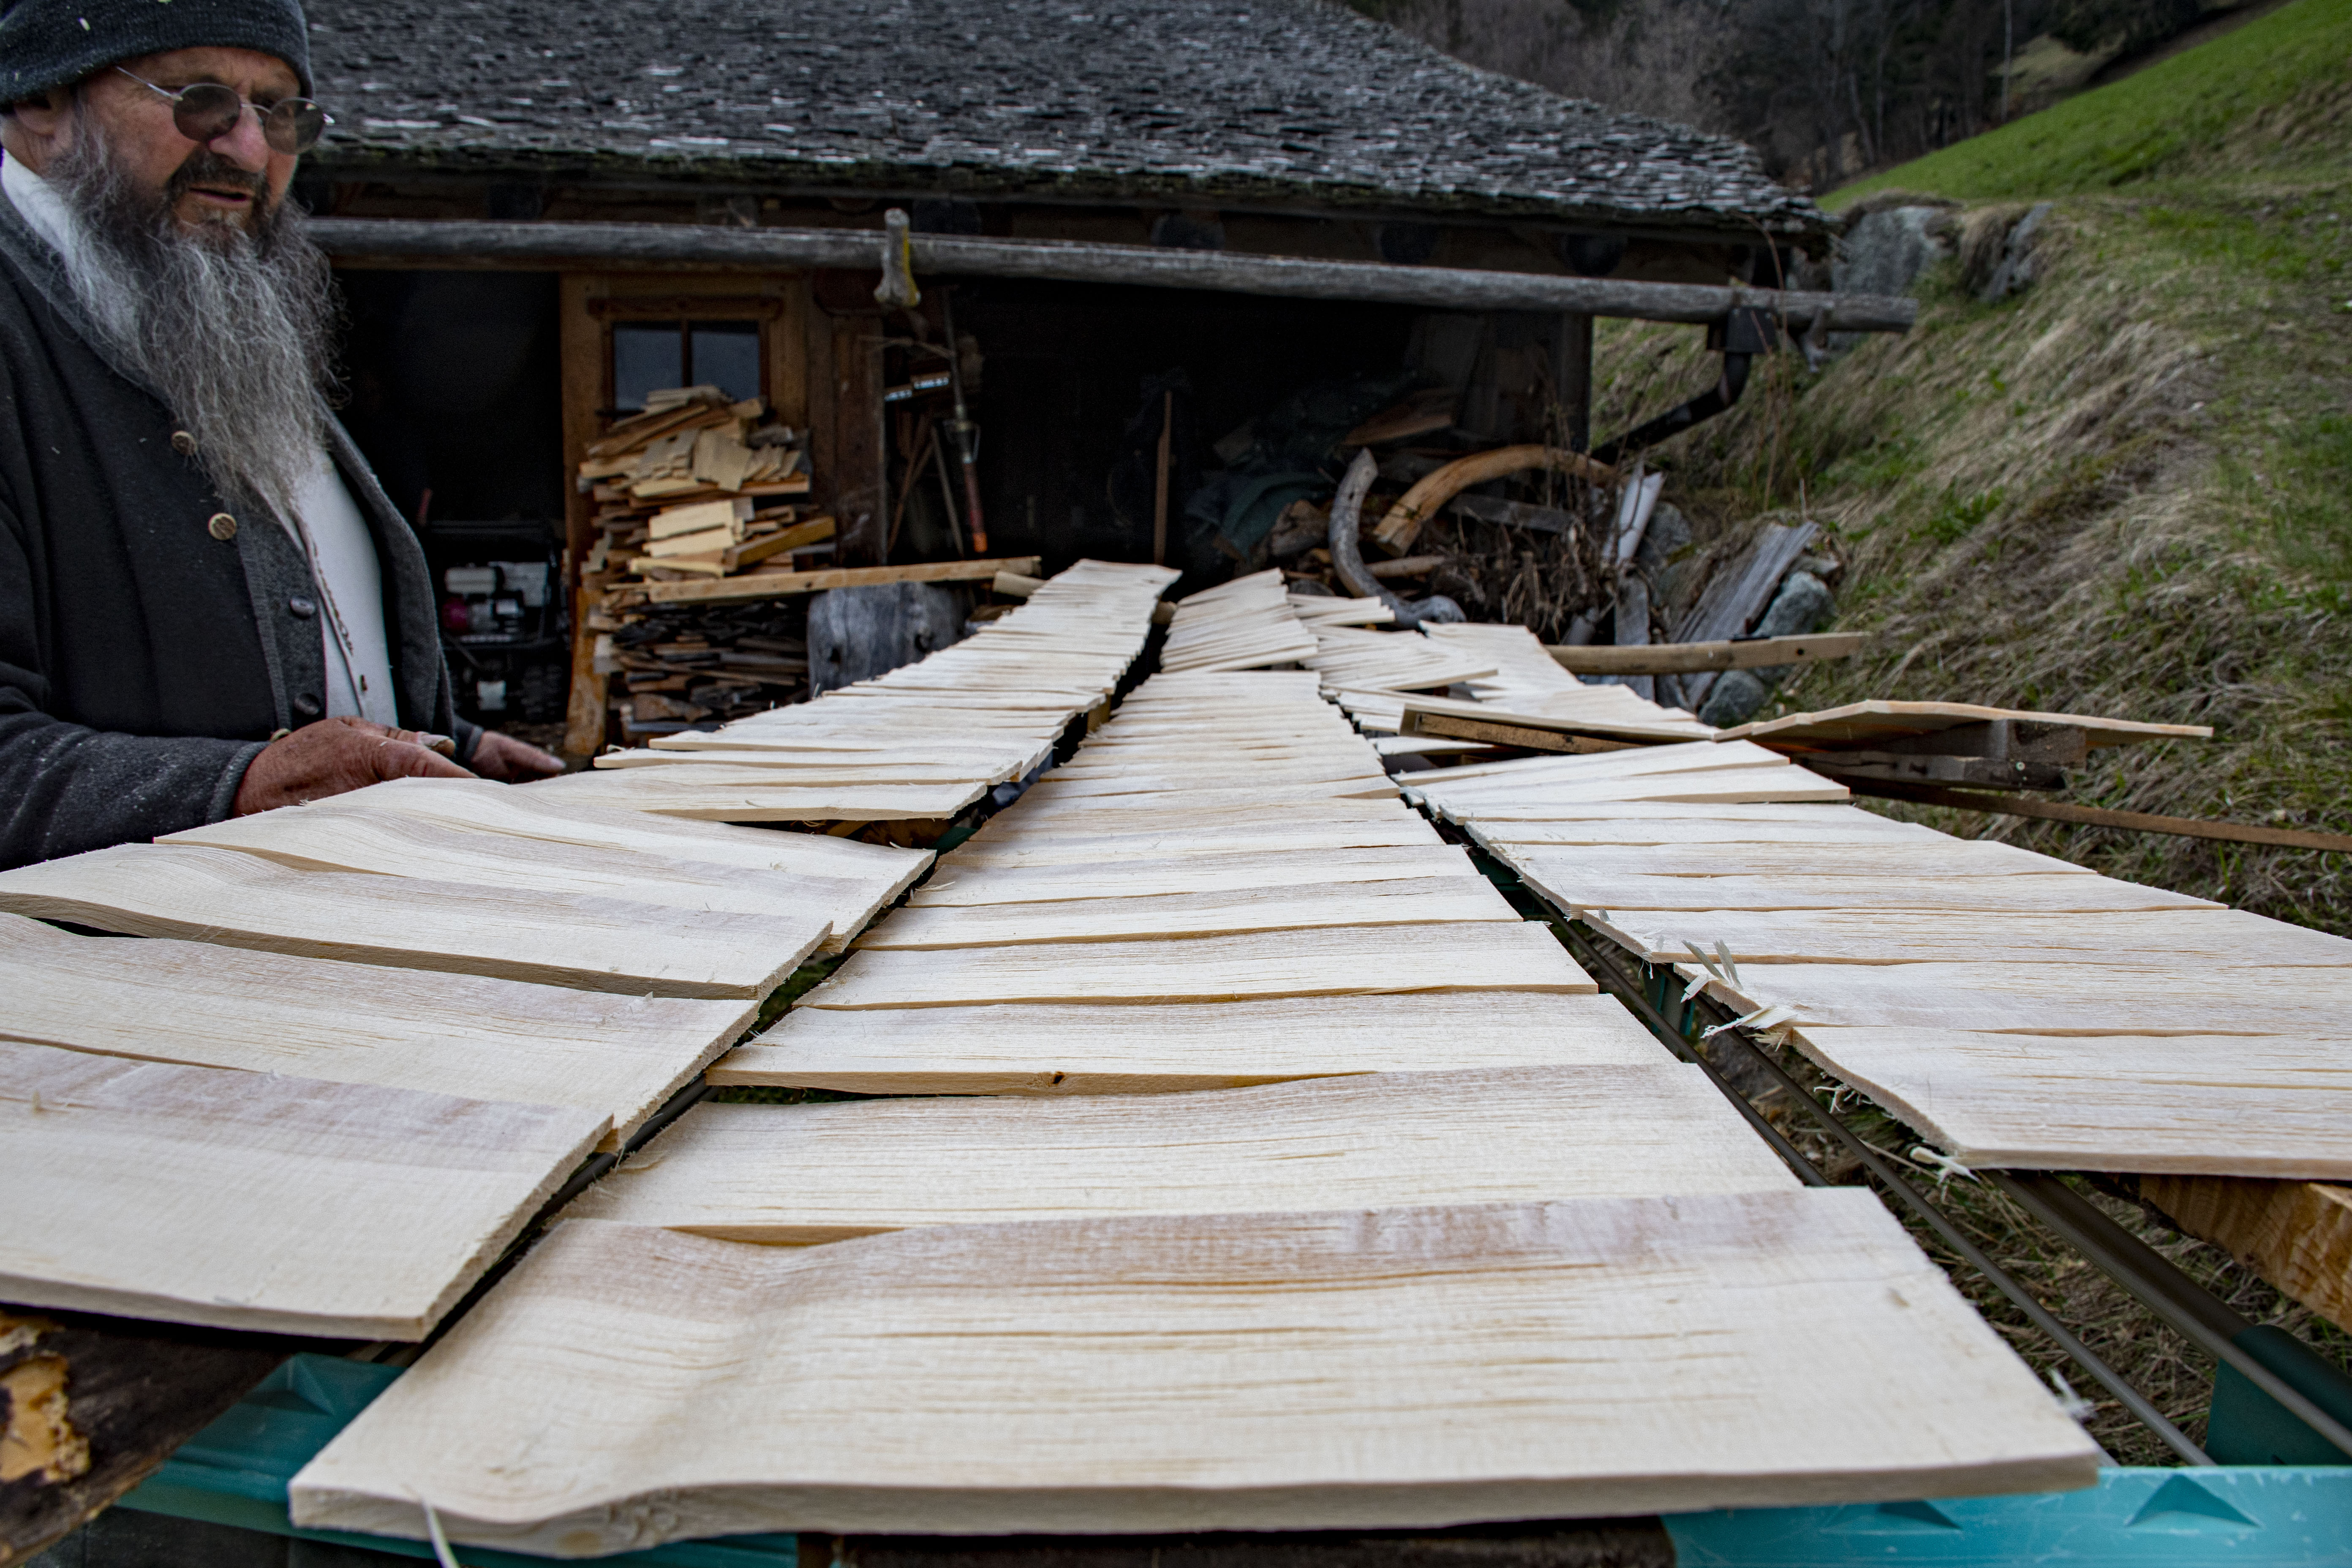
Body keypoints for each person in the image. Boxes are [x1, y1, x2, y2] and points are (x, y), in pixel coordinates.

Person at [0, 0, 561, 870]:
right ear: (41, 98)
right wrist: (248, 784)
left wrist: (443, 737)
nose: (252, 152)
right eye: (201, 102)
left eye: (281, 111)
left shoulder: (185, 294)